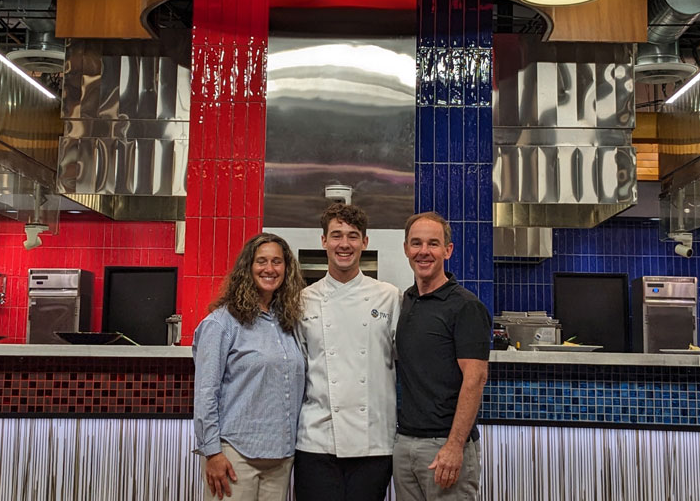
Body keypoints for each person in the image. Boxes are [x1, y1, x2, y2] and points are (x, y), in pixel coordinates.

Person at [294, 204, 401, 501]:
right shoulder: (303, 300)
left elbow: (406, 360)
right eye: (336, 235)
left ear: (364, 242)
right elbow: (297, 368)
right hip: (316, 440)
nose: (344, 244)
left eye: (353, 236)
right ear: (324, 241)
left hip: (374, 442)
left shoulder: (389, 297)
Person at [193, 233, 307, 501]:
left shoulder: (287, 321)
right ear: (248, 267)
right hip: (235, 456)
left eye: (277, 262)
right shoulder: (221, 324)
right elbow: (206, 392)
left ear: (286, 269)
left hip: (281, 458)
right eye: (262, 261)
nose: (270, 269)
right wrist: (212, 452)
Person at [394, 212, 492, 501]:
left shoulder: (465, 306)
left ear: (447, 250)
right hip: (405, 443)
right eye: (416, 243)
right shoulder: (407, 300)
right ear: (406, 249)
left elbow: (475, 379)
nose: (423, 251)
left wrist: (454, 445)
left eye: (433, 244)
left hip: (444, 447)